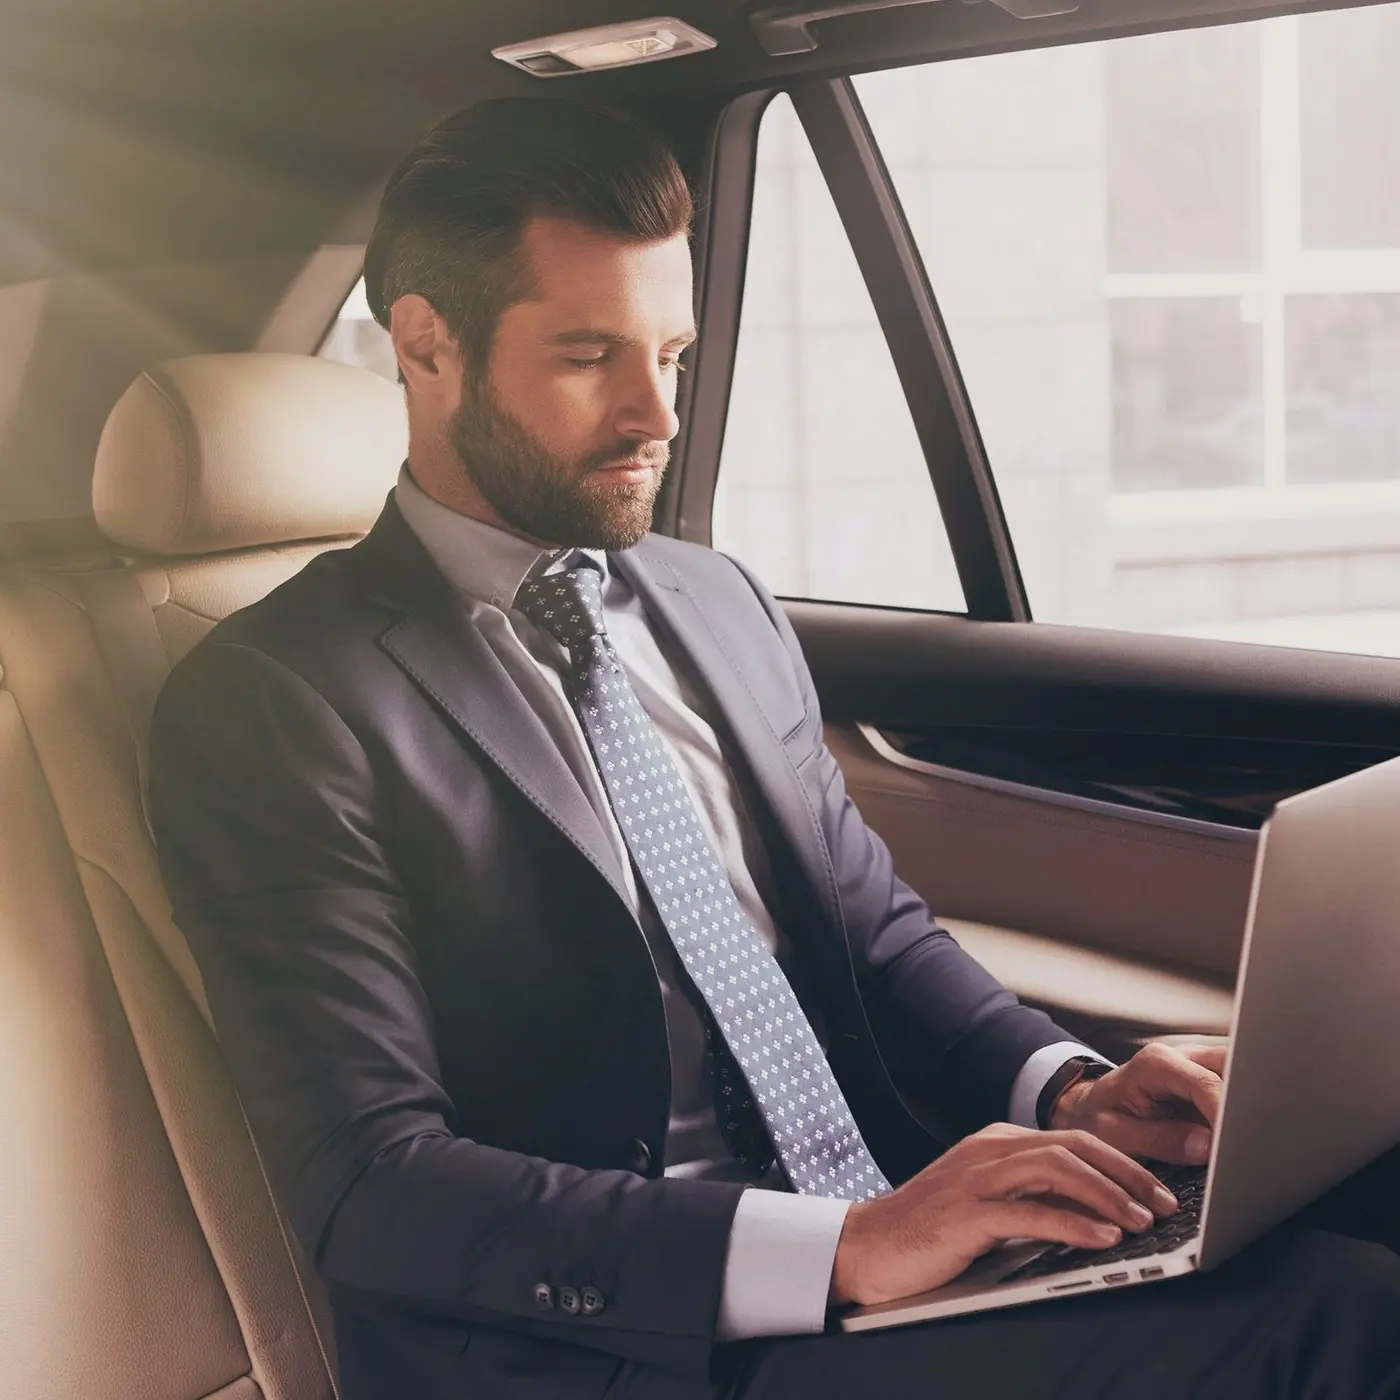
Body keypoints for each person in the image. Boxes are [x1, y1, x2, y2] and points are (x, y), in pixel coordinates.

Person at [149, 98, 1400, 1400]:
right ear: (426, 347)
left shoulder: (712, 603)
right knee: (1336, 1319)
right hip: (635, 1344)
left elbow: (876, 937)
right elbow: (375, 1184)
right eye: (590, 357)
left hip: (879, 1244)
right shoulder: (274, 705)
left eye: (674, 356)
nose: (655, 415)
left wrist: (1065, 1094)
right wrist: (849, 1249)